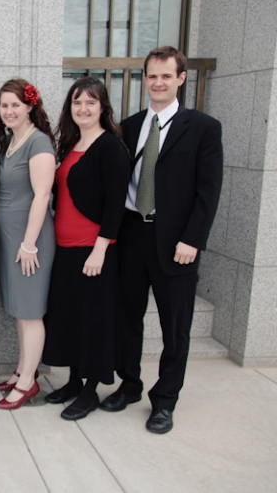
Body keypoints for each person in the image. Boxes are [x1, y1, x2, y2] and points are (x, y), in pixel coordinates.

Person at [101, 46, 223, 434]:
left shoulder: (203, 127)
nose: (158, 82)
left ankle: (165, 400)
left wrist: (193, 240)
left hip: (177, 244)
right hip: (132, 234)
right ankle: (130, 385)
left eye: (166, 76)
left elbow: (209, 192)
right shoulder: (129, 125)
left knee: (176, 326)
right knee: (127, 318)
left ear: (181, 79)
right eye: (152, 76)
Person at [42, 77, 130, 420]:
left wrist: (100, 249)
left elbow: (115, 205)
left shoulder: (110, 147)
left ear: (103, 107)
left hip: (93, 252)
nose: (83, 108)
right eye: (77, 102)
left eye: (90, 102)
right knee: (71, 319)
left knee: (94, 322)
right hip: (65, 249)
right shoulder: (69, 144)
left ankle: (91, 390)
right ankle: (74, 381)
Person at [0, 79, 57, 410]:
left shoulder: (39, 142)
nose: (9, 111)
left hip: (29, 239)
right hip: (9, 239)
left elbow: (42, 195)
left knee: (30, 312)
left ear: (30, 106)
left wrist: (29, 243)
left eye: (16, 104)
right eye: (4, 105)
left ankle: (29, 382)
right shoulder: (11, 141)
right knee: (19, 309)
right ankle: (22, 370)